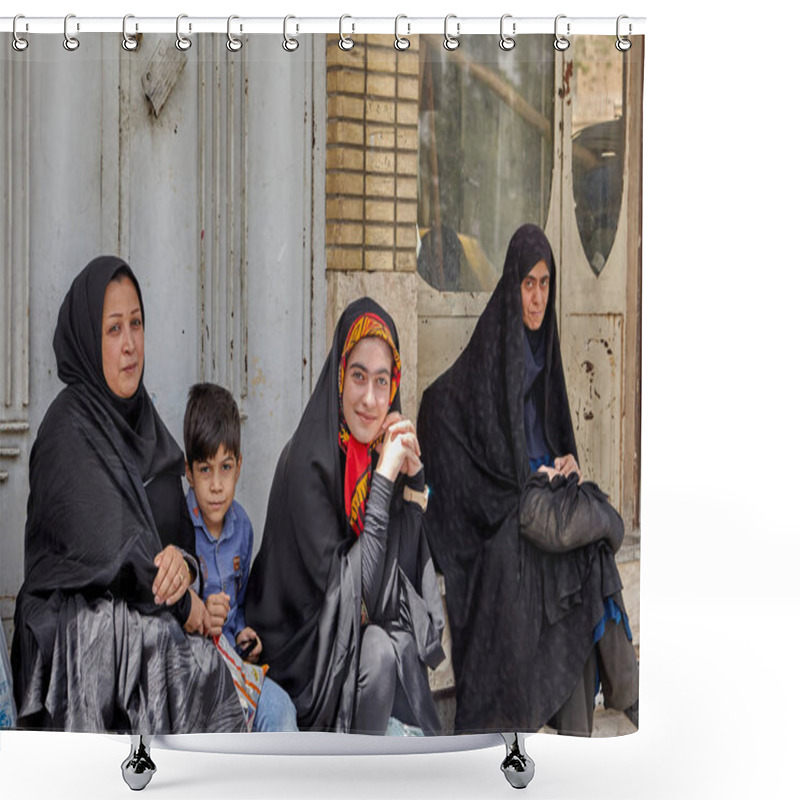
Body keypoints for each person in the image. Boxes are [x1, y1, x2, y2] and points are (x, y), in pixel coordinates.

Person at [417, 224, 639, 735]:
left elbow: (556, 436)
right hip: (510, 511)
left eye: (545, 284)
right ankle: (625, 690)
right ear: (512, 285)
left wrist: (565, 465)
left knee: (583, 561)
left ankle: (593, 720)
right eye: (528, 284)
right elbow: (447, 411)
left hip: (545, 501)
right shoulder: (497, 351)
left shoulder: (545, 350)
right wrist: (525, 476)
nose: (537, 298)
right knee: (582, 549)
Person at [10, 256, 244, 733]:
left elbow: (176, 540)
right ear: (88, 340)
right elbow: (112, 545)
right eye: (113, 329)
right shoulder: (66, 430)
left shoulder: (148, 428)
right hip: (70, 640)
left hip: (146, 623)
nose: (130, 345)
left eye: (136, 324)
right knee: (155, 644)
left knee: (186, 656)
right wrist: (182, 603)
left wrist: (184, 565)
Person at [246, 298, 445, 734]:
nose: (371, 400)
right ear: (339, 375)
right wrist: (385, 481)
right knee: (378, 649)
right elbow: (356, 600)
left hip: (349, 650)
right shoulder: (307, 461)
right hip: (300, 663)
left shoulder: (377, 452)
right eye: (358, 376)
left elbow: (400, 590)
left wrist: (413, 484)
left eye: (382, 380)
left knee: (394, 642)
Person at [183, 382, 298, 732]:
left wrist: (246, 634)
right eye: (205, 470)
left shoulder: (243, 528)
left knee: (280, 710)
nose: (216, 485)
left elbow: (241, 605)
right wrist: (201, 610)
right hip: (191, 669)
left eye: (226, 467)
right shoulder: (178, 525)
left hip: (234, 665)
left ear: (239, 466)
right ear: (188, 471)